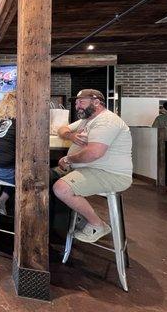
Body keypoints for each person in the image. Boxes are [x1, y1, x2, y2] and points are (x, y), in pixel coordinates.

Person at [53, 89, 132, 243]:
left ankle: (97, 224)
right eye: (76, 103)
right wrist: (71, 135)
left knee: (61, 188)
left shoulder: (107, 121)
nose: (77, 106)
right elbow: (62, 129)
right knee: (49, 177)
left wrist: (68, 159)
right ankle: (72, 220)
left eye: (81, 102)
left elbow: (94, 153)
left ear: (96, 102)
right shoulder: (87, 120)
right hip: (89, 169)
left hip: (109, 173)